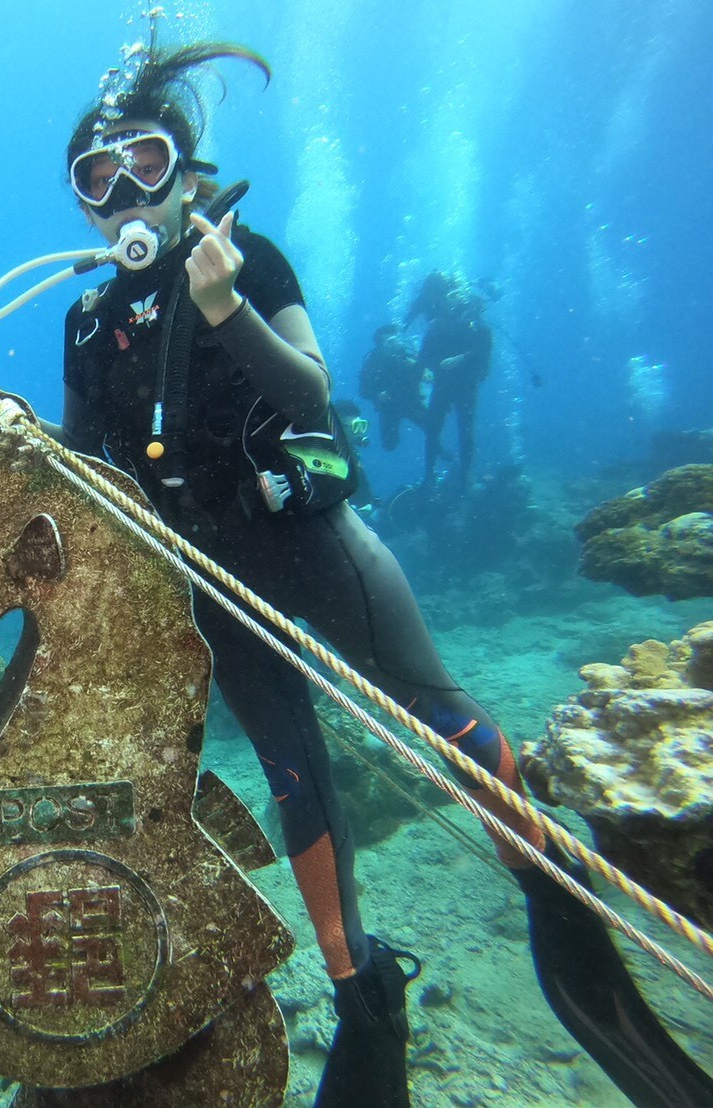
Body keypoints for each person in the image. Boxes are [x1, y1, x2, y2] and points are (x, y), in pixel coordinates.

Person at [50, 39, 711, 1108]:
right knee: (293, 778)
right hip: (212, 586)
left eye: (145, 162)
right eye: (97, 177)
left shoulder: (247, 259)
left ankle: (555, 896)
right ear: (82, 205)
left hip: (312, 548)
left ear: (181, 168)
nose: (125, 191)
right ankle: (361, 992)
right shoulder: (84, 322)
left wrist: (223, 307)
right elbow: (84, 463)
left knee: (435, 716)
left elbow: (310, 397)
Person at [406, 271, 493, 491]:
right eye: (449, 297)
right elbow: (423, 356)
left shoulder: (474, 321)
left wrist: (461, 359)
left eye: (457, 296)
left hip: (465, 384)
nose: (453, 301)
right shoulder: (437, 324)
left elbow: (483, 349)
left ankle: (465, 477)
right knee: (434, 429)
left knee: (465, 430)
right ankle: (429, 476)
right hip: (444, 384)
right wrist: (415, 384)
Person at [358, 323, 426, 454]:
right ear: (381, 343)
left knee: (433, 428)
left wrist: (417, 366)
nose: (395, 343)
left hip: (411, 401)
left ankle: (445, 457)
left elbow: (423, 376)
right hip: (389, 407)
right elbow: (363, 390)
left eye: (396, 339)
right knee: (389, 445)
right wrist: (377, 394)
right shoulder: (373, 360)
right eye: (390, 341)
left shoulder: (407, 355)